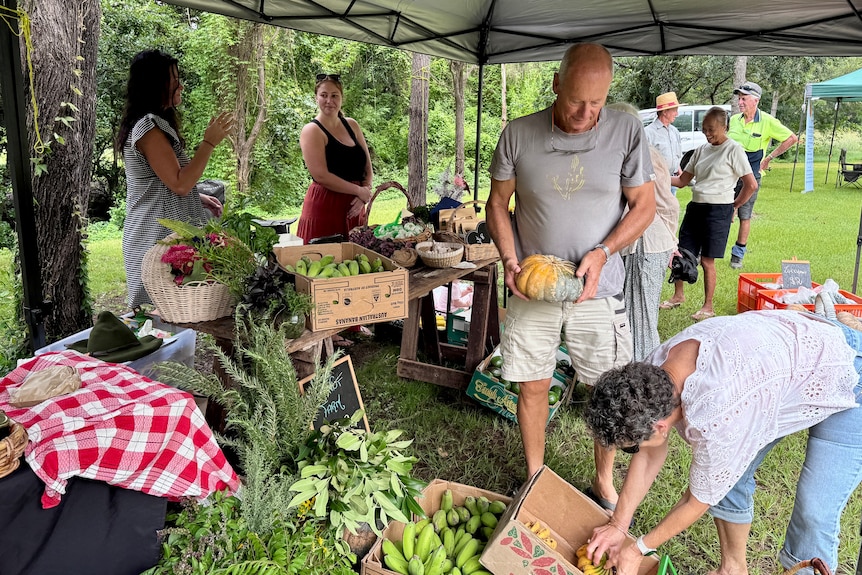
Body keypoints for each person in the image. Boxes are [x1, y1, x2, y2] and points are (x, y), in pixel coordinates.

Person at [486, 43, 656, 503]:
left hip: (598, 289)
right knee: (533, 383)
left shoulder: (626, 131)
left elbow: (644, 206)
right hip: (532, 284)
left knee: (606, 388)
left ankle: (603, 479)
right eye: (576, 101)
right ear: (556, 84)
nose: (585, 114)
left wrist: (604, 251)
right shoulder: (519, 134)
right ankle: (535, 475)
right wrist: (507, 256)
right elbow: (497, 203)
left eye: (596, 103)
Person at [583, 306, 862, 575]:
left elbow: (697, 499)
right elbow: (650, 453)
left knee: (814, 510)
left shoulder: (720, 411)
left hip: (849, 369)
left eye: (631, 447)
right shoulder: (655, 372)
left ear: (659, 426)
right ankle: (733, 569)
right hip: (783, 366)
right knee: (727, 474)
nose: (635, 452)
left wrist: (637, 549)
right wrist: (619, 525)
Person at [117, 49, 232, 310]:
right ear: (154, 84)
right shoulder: (148, 127)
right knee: (162, 320)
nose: (180, 85)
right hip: (153, 239)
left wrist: (197, 197)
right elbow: (179, 183)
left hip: (166, 237)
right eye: (174, 79)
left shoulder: (154, 122)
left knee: (179, 316)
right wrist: (209, 142)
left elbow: (163, 183)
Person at [661, 107, 757, 321]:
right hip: (696, 206)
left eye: (712, 129)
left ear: (724, 127)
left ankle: (708, 306)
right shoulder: (701, 150)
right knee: (682, 252)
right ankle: (678, 295)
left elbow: (751, 185)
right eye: (704, 129)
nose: (708, 134)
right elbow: (682, 181)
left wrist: (734, 206)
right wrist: (657, 176)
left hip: (719, 209)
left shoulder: (734, 149)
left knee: (707, 260)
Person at [606, 102, 680, 361]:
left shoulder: (645, 155)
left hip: (646, 245)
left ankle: (646, 375)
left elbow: (667, 204)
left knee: (642, 317)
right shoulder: (616, 154)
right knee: (624, 313)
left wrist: (671, 242)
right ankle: (629, 370)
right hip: (629, 244)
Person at [727, 81, 798, 269]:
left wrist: (769, 158)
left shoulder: (767, 121)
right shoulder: (734, 120)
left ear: (756, 100)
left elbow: (792, 138)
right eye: (739, 98)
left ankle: (737, 255)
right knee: (720, 210)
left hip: (750, 176)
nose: (740, 102)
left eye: (744, 98)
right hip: (729, 175)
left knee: (745, 214)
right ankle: (709, 248)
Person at [297, 73, 374, 244]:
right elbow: (321, 175)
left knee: (356, 263)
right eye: (323, 95)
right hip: (325, 208)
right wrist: (358, 191)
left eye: (334, 96)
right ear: (316, 97)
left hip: (355, 207)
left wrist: (364, 193)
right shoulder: (312, 130)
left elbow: (367, 168)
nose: (329, 101)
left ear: (341, 98)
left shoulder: (352, 125)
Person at [644, 91, 684, 195]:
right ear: (665, 112)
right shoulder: (648, 132)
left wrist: (681, 176)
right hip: (657, 181)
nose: (677, 114)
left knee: (671, 209)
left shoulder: (674, 131)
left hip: (673, 180)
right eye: (675, 110)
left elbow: (676, 156)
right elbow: (644, 161)